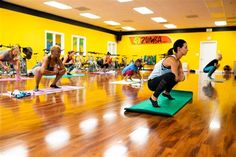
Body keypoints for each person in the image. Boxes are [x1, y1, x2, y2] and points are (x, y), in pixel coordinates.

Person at [148, 39, 188, 107]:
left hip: (160, 82)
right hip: (152, 83)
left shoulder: (178, 62)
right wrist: (179, 76)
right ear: (179, 49)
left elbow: (182, 77)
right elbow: (176, 77)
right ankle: (153, 97)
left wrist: (179, 76)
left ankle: (166, 93)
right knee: (171, 76)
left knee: (172, 76)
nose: (187, 49)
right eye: (185, 47)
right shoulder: (172, 60)